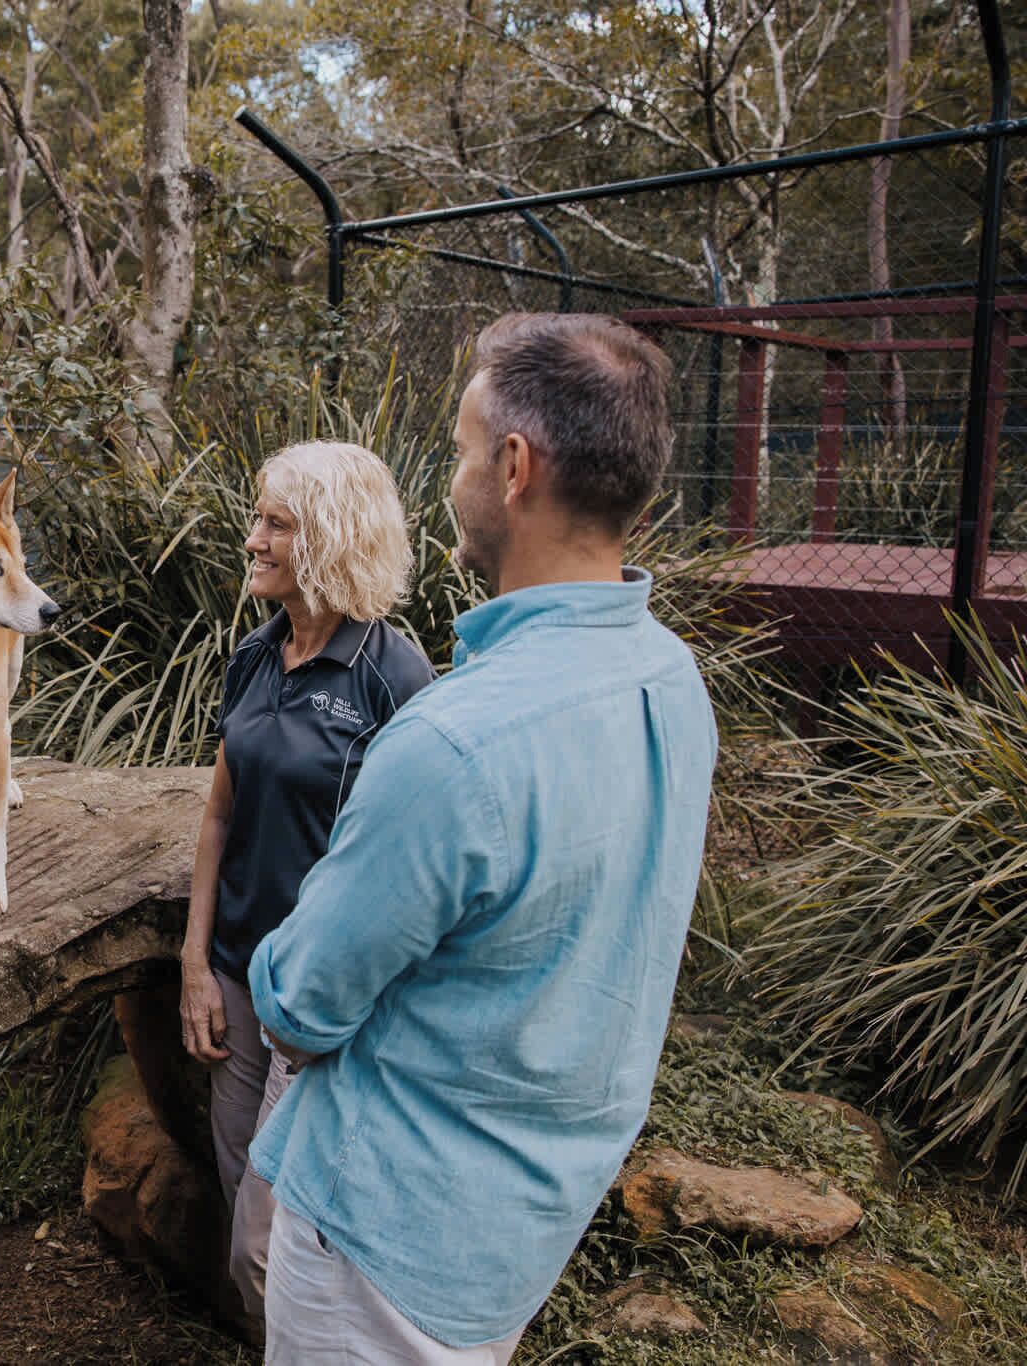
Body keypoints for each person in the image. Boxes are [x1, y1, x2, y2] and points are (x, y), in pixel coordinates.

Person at [245, 313, 719, 1363]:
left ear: (512, 467)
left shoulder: (453, 741)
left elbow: (297, 1005)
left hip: (383, 1237)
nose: (450, 478)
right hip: (524, 1224)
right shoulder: (670, 680)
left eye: (459, 451)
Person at [179, 441, 433, 1316]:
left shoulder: (393, 679)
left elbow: (412, 862)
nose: (252, 540)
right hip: (238, 975)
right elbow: (219, 813)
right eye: (258, 519)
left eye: (275, 524)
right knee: (234, 1189)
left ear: (329, 536)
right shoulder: (254, 654)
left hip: (322, 998)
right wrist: (194, 964)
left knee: (262, 1243)